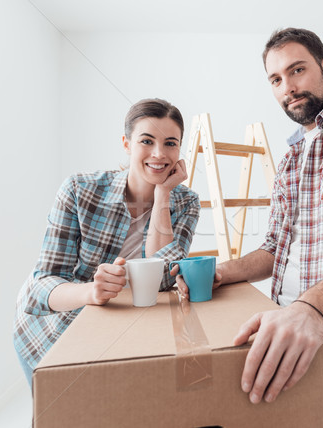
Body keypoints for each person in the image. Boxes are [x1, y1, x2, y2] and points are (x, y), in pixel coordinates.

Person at [176, 28, 323, 428]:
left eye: (297, 70)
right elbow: (275, 248)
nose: (288, 87)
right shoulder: (290, 157)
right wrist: (221, 272)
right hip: (282, 332)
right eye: (275, 79)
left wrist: (310, 310)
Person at [13, 98, 200, 386]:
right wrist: (92, 291)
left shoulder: (186, 202)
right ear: (127, 144)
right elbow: (41, 285)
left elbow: (163, 277)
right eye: (147, 141)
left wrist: (163, 193)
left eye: (171, 143)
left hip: (117, 338)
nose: (159, 153)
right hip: (51, 337)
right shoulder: (79, 189)